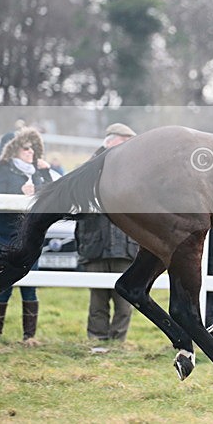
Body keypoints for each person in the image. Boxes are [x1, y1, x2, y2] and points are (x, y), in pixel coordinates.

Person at [75, 123, 139, 342]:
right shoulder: (89, 168)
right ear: (110, 141)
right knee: (98, 300)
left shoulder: (136, 171)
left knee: (125, 302)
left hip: (126, 246)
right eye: (124, 141)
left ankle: (118, 342)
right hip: (96, 243)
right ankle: (96, 340)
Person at [0, 126, 53, 343]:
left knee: (30, 287)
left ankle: (29, 338)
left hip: (31, 240)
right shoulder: (4, 170)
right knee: (3, 287)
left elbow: (53, 199)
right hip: (6, 237)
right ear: (15, 150)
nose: (31, 152)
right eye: (26, 148)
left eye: (33, 148)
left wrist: (45, 172)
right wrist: (19, 195)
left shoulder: (38, 171)